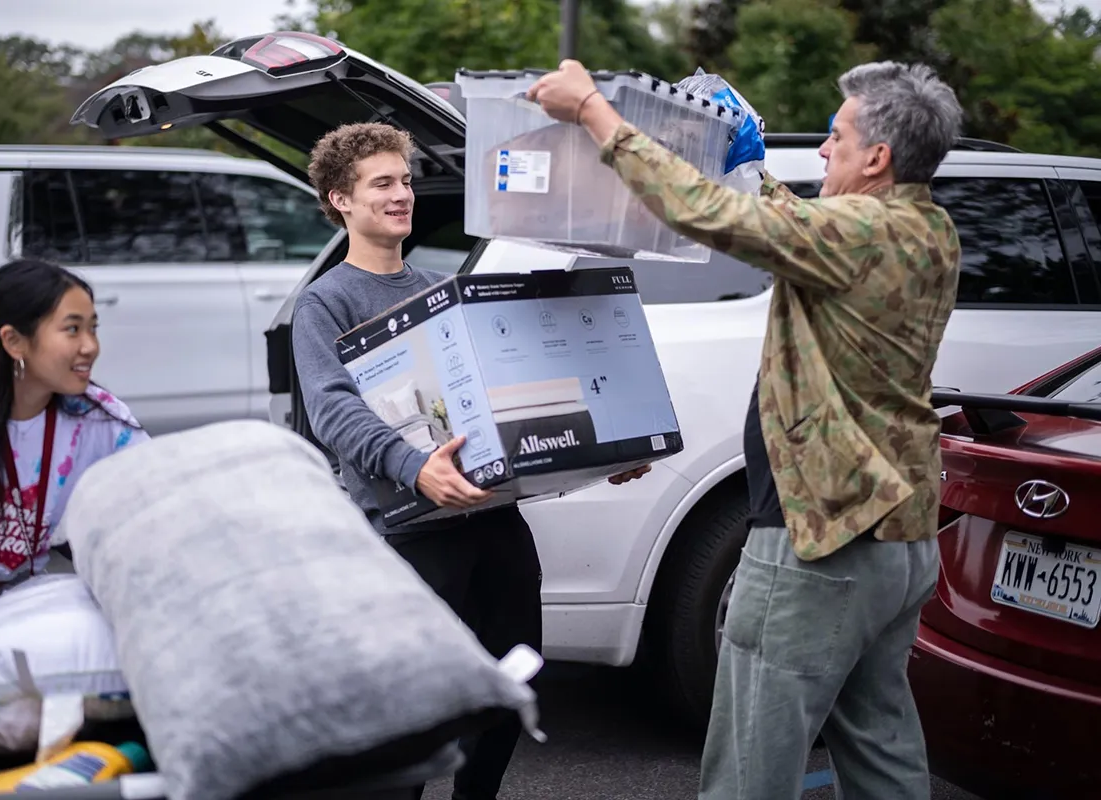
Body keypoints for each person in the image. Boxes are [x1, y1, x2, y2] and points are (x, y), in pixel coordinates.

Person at [527, 61, 963, 799]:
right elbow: (794, 227)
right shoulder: (928, 228)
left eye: (836, 137)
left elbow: (713, 216)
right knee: (879, 741)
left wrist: (596, 112)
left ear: (877, 158)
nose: (825, 151)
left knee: (751, 763)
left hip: (820, 538)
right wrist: (751, 165)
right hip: (899, 536)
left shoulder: (857, 231)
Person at [291, 121, 648, 799]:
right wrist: (414, 467)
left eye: (404, 180)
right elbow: (335, 411)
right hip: (407, 532)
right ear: (340, 199)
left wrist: (603, 451)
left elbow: (507, 402)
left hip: (491, 518)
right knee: (409, 707)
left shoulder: (442, 287)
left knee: (514, 682)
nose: (402, 194)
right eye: (382, 184)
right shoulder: (326, 303)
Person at [0, 259, 149, 721]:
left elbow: (153, 504)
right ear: (13, 340)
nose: (90, 346)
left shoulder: (100, 418)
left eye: (93, 328)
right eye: (71, 329)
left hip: (21, 603)